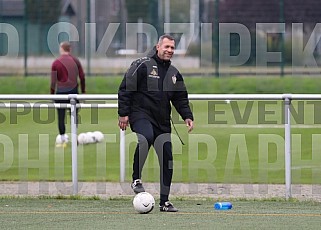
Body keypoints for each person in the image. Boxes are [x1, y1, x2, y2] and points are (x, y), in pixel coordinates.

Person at [118, 34, 194, 212]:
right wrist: (123, 114)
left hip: (162, 120)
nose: (169, 50)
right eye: (166, 47)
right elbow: (125, 87)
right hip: (140, 114)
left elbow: (180, 98)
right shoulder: (142, 64)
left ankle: (164, 202)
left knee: (167, 158)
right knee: (146, 138)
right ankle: (136, 179)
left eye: (172, 48)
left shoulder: (174, 73)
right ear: (157, 46)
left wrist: (187, 116)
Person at [51, 41, 85, 147]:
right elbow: (82, 77)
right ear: (69, 49)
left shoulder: (56, 62)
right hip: (73, 92)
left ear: (61, 49)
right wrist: (83, 92)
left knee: (60, 117)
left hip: (60, 92)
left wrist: (52, 94)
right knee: (73, 115)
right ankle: (75, 138)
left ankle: (62, 138)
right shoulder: (75, 60)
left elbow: (53, 81)